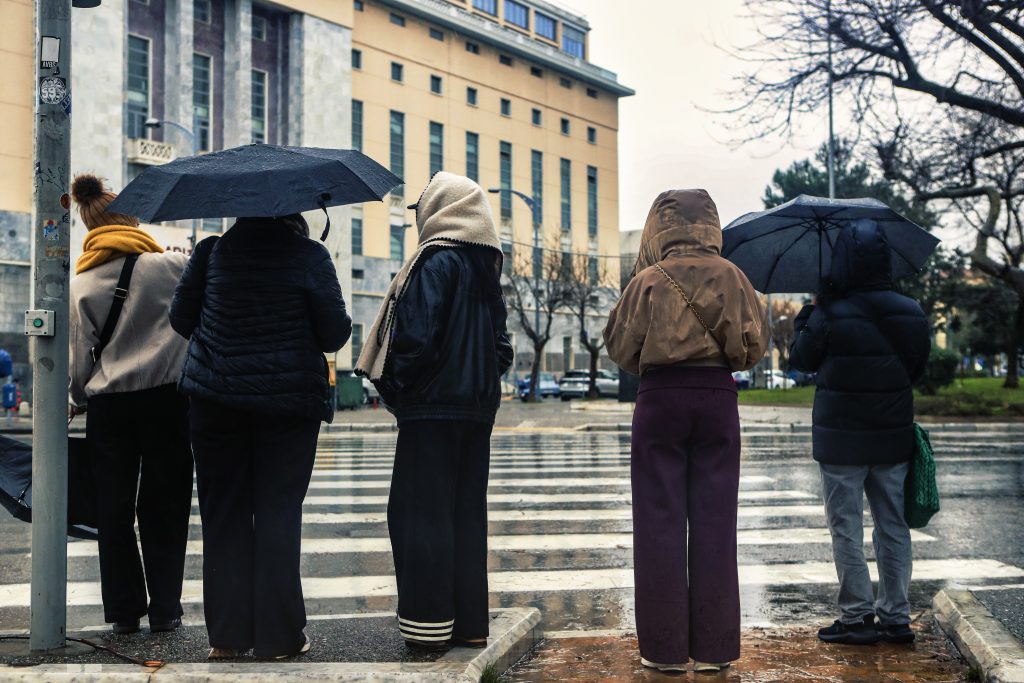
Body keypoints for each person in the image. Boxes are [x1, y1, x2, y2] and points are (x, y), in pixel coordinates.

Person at [169, 213, 351, 659]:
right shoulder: (309, 256)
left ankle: (228, 639)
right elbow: (334, 332)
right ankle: (279, 637)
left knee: (224, 514)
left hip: (216, 401)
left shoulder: (211, 252)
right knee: (278, 514)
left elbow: (179, 319)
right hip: (287, 407)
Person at [604, 189, 768, 674]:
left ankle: (664, 648)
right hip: (717, 398)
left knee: (658, 523)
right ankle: (715, 650)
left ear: (660, 226)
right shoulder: (735, 277)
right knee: (717, 523)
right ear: (712, 225)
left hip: (660, 399)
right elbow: (752, 347)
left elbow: (619, 346)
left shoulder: (648, 280)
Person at [356, 172, 513, 650]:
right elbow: (502, 348)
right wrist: (480, 381)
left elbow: (414, 338)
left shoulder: (435, 261)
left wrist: (397, 387)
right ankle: (467, 624)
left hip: (431, 410)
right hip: (477, 410)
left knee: (418, 514)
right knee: (465, 514)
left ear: (440, 210)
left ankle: (427, 624)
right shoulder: (487, 268)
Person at [789, 218, 930, 645]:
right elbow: (917, 371)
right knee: (893, 525)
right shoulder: (910, 311)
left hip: (840, 439)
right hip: (892, 435)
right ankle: (896, 615)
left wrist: (807, 317)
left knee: (845, 525)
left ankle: (856, 616)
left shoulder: (828, 311)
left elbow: (801, 361)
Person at [68, 173, 193, 635]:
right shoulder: (170, 267)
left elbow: (80, 360)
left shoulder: (82, 284)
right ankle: (166, 607)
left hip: (111, 410)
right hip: (168, 402)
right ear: (127, 216)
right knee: (166, 504)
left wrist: (79, 398)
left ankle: (124, 610)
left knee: (113, 510)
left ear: (90, 225)